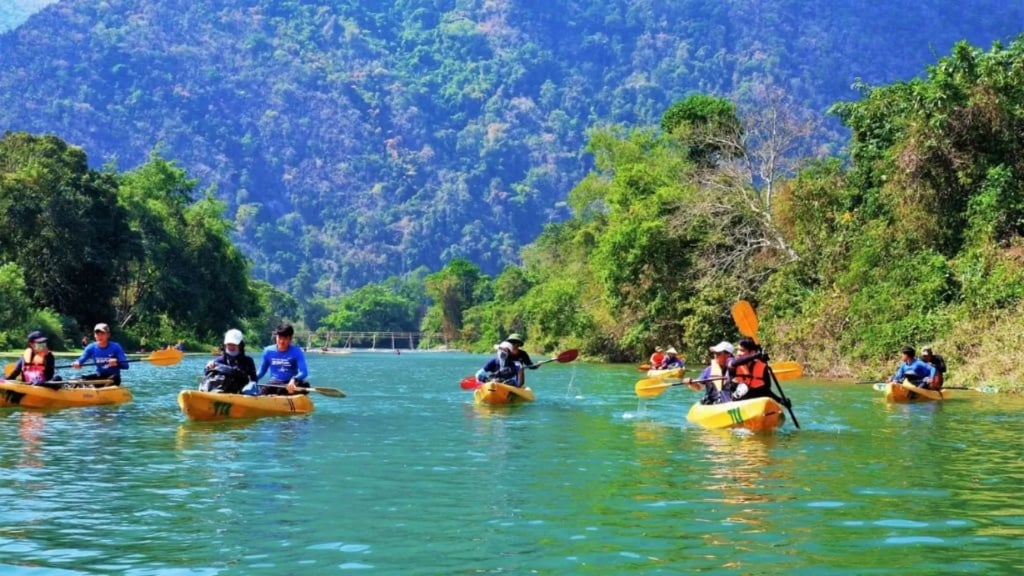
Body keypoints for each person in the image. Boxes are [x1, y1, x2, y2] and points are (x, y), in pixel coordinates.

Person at [250, 323, 309, 395]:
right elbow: (262, 371)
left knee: (305, 384)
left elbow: (304, 372)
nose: (281, 341)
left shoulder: (297, 352)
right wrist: (252, 379)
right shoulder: (268, 351)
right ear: (276, 337)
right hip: (274, 383)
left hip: (290, 384)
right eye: (280, 338)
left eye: (285, 338)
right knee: (259, 393)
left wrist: (294, 379)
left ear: (290, 339)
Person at [201, 329, 257, 394]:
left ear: (240, 345)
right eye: (229, 344)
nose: (231, 347)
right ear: (225, 345)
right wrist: (208, 366)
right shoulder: (218, 361)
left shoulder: (248, 361)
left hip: (241, 393)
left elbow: (254, 379)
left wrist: (252, 386)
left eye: (234, 344)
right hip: (221, 392)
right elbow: (206, 373)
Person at [729, 337, 778, 402]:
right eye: (738, 350)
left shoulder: (762, 367)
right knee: (743, 387)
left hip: (755, 403)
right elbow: (733, 364)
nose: (738, 353)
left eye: (742, 350)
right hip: (737, 403)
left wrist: (780, 400)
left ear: (752, 352)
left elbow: (766, 391)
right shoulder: (733, 362)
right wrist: (757, 355)